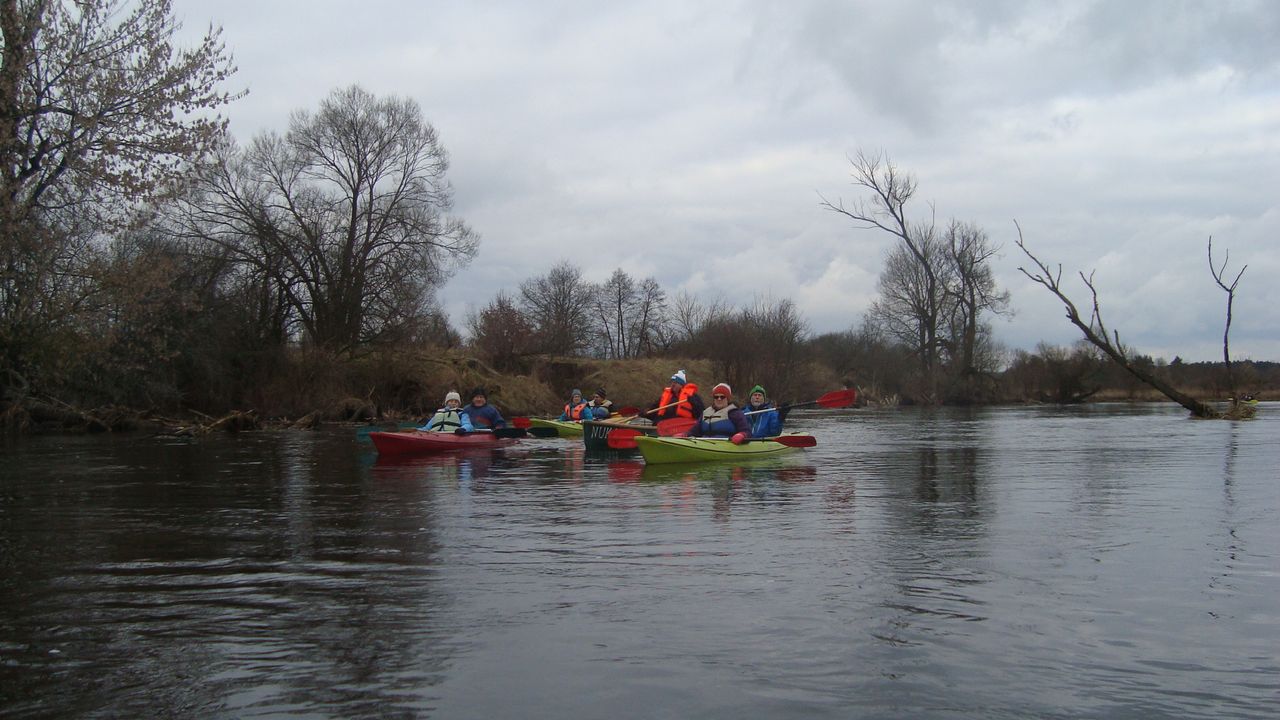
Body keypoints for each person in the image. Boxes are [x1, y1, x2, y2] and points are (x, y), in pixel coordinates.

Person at [685, 382, 750, 443]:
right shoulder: (705, 413)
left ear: (727, 399)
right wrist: (685, 434)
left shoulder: (735, 413)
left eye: (722, 397)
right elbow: (694, 431)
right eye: (716, 397)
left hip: (726, 445)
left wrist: (742, 434)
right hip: (705, 443)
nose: (719, 399)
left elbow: (747, 431)